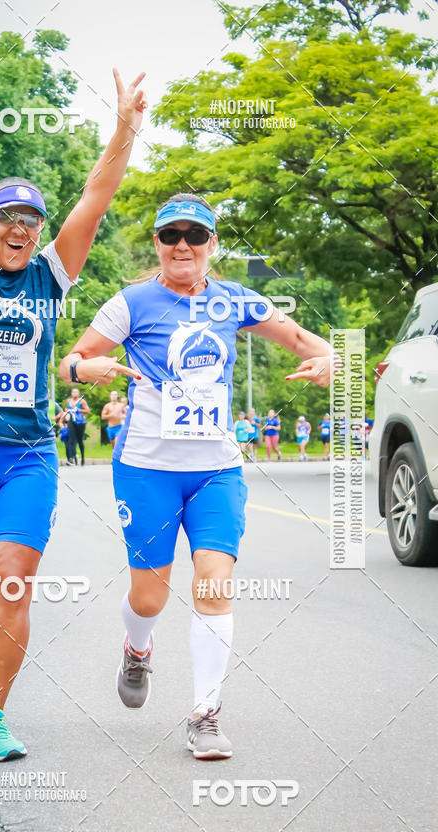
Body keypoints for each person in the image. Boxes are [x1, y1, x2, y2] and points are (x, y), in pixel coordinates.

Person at [0, 21, 147, 762]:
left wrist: (124, 131)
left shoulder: (51, 273)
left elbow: (98, 193)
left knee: (12, 582)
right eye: (7, 218)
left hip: (27, 454)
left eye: (31, 220)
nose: (20, 229)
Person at [60, 193, 336, 759]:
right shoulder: (131, 302)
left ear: (212, 244)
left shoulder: (236, 301)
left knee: (213, 582)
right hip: (147, 469)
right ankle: (138, 649)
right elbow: (71, 362)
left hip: (216, 469)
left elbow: (308, 341)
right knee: (150, 594)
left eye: (195, 235)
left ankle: (205, 714)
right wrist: (86, 368)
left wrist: (330, 357)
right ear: (158, 244)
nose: (182, 244)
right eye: (170, 235)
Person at [62, 387, 90, 465]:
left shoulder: (82, 401)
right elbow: (66, 409)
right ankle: (71, 458)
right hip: (71, 421)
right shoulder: (68, 401)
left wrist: (78, 410)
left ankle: (83, 457)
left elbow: (87, 411)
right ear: (71, 393)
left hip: (80, 422)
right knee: (71, 440)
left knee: (79, 440)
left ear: (78, 393)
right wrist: (67, 413)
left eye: (76, 392)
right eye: (73, 392)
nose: (74, 394)